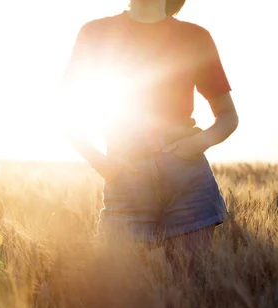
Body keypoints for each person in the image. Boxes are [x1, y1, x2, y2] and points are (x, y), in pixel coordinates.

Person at [61, 0, 239, 269]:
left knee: (192, 290)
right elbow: (66, 113)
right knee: (121, 292)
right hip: (126, 177)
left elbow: (228, 116)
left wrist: (197, 144)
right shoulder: (95, 33)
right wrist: (105, 165)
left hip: (187, 179)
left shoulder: (195, 37)